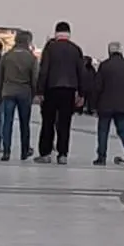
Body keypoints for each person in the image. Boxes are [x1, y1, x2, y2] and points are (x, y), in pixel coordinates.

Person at [35, 21, 87, 165]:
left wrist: (40, 91)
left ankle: (46, 153)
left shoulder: (50, 48)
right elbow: (81, 73)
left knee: (48, 122)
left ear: (56, 33)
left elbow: (44, 71)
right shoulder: (76, 49)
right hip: (69, 90)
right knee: (65, 123)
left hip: (51, 89)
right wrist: (82, 93)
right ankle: (62, 154)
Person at [91, 42, 124, 166]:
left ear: (109, 52)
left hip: (105, 104)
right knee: (123, 129)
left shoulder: (104, 65)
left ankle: (101, 157)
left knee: (103, 131)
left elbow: (97, 87)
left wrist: (93, 105)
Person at [0, 31, 38, 162]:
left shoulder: (6, 56)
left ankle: (6, 151)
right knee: (24, 123)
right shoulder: (31, 58)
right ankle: (24, 151)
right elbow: (35, 78)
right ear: (27, 41)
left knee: (7, 122)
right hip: (24, 93)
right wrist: (34, 93)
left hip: (8, 92)